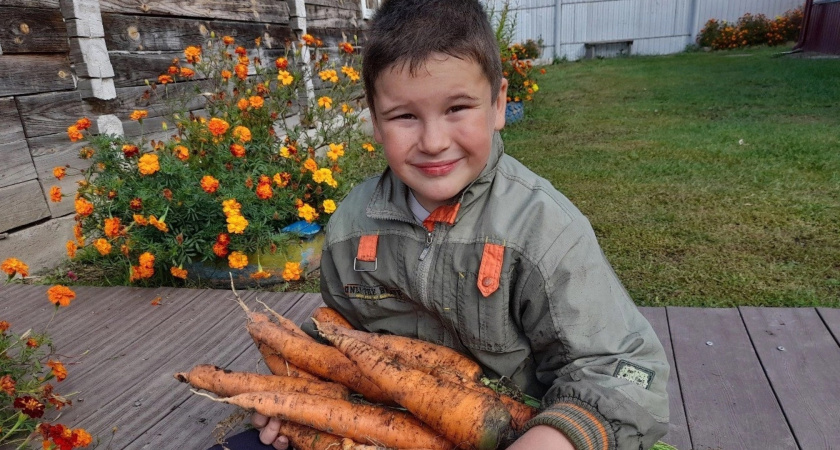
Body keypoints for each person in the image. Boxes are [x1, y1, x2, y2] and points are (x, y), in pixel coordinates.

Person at [246, 0, 670, 448]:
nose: (433, 142)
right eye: (404, 116)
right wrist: (296, 395)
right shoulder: (352, 225)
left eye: (457, 108)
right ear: (374, 121)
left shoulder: (543, 229)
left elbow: (619, 368)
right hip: (388, 431)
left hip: (518, 432)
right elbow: (338, 341)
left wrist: (553, 438)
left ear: (499, 104)